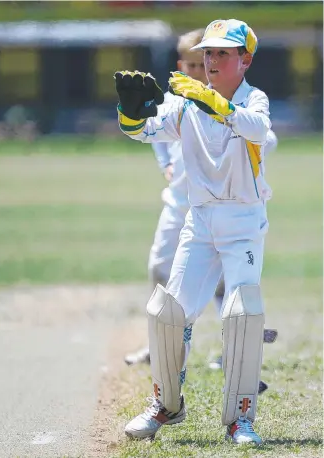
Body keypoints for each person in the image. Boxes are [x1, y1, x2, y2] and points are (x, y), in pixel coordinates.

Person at [115, 19, 274, 445]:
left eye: (223, 52)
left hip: (242, 222)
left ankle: (240, 420)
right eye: (208, 52)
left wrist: (211, 101)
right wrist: (130, 109)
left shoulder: (253, 98)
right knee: (170, 314)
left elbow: (257, 129)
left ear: (245, 60)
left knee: (242, 314)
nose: (212, 59)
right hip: (199, 220)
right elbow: (141, 131)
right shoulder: (184, 101)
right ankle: (165, 406)